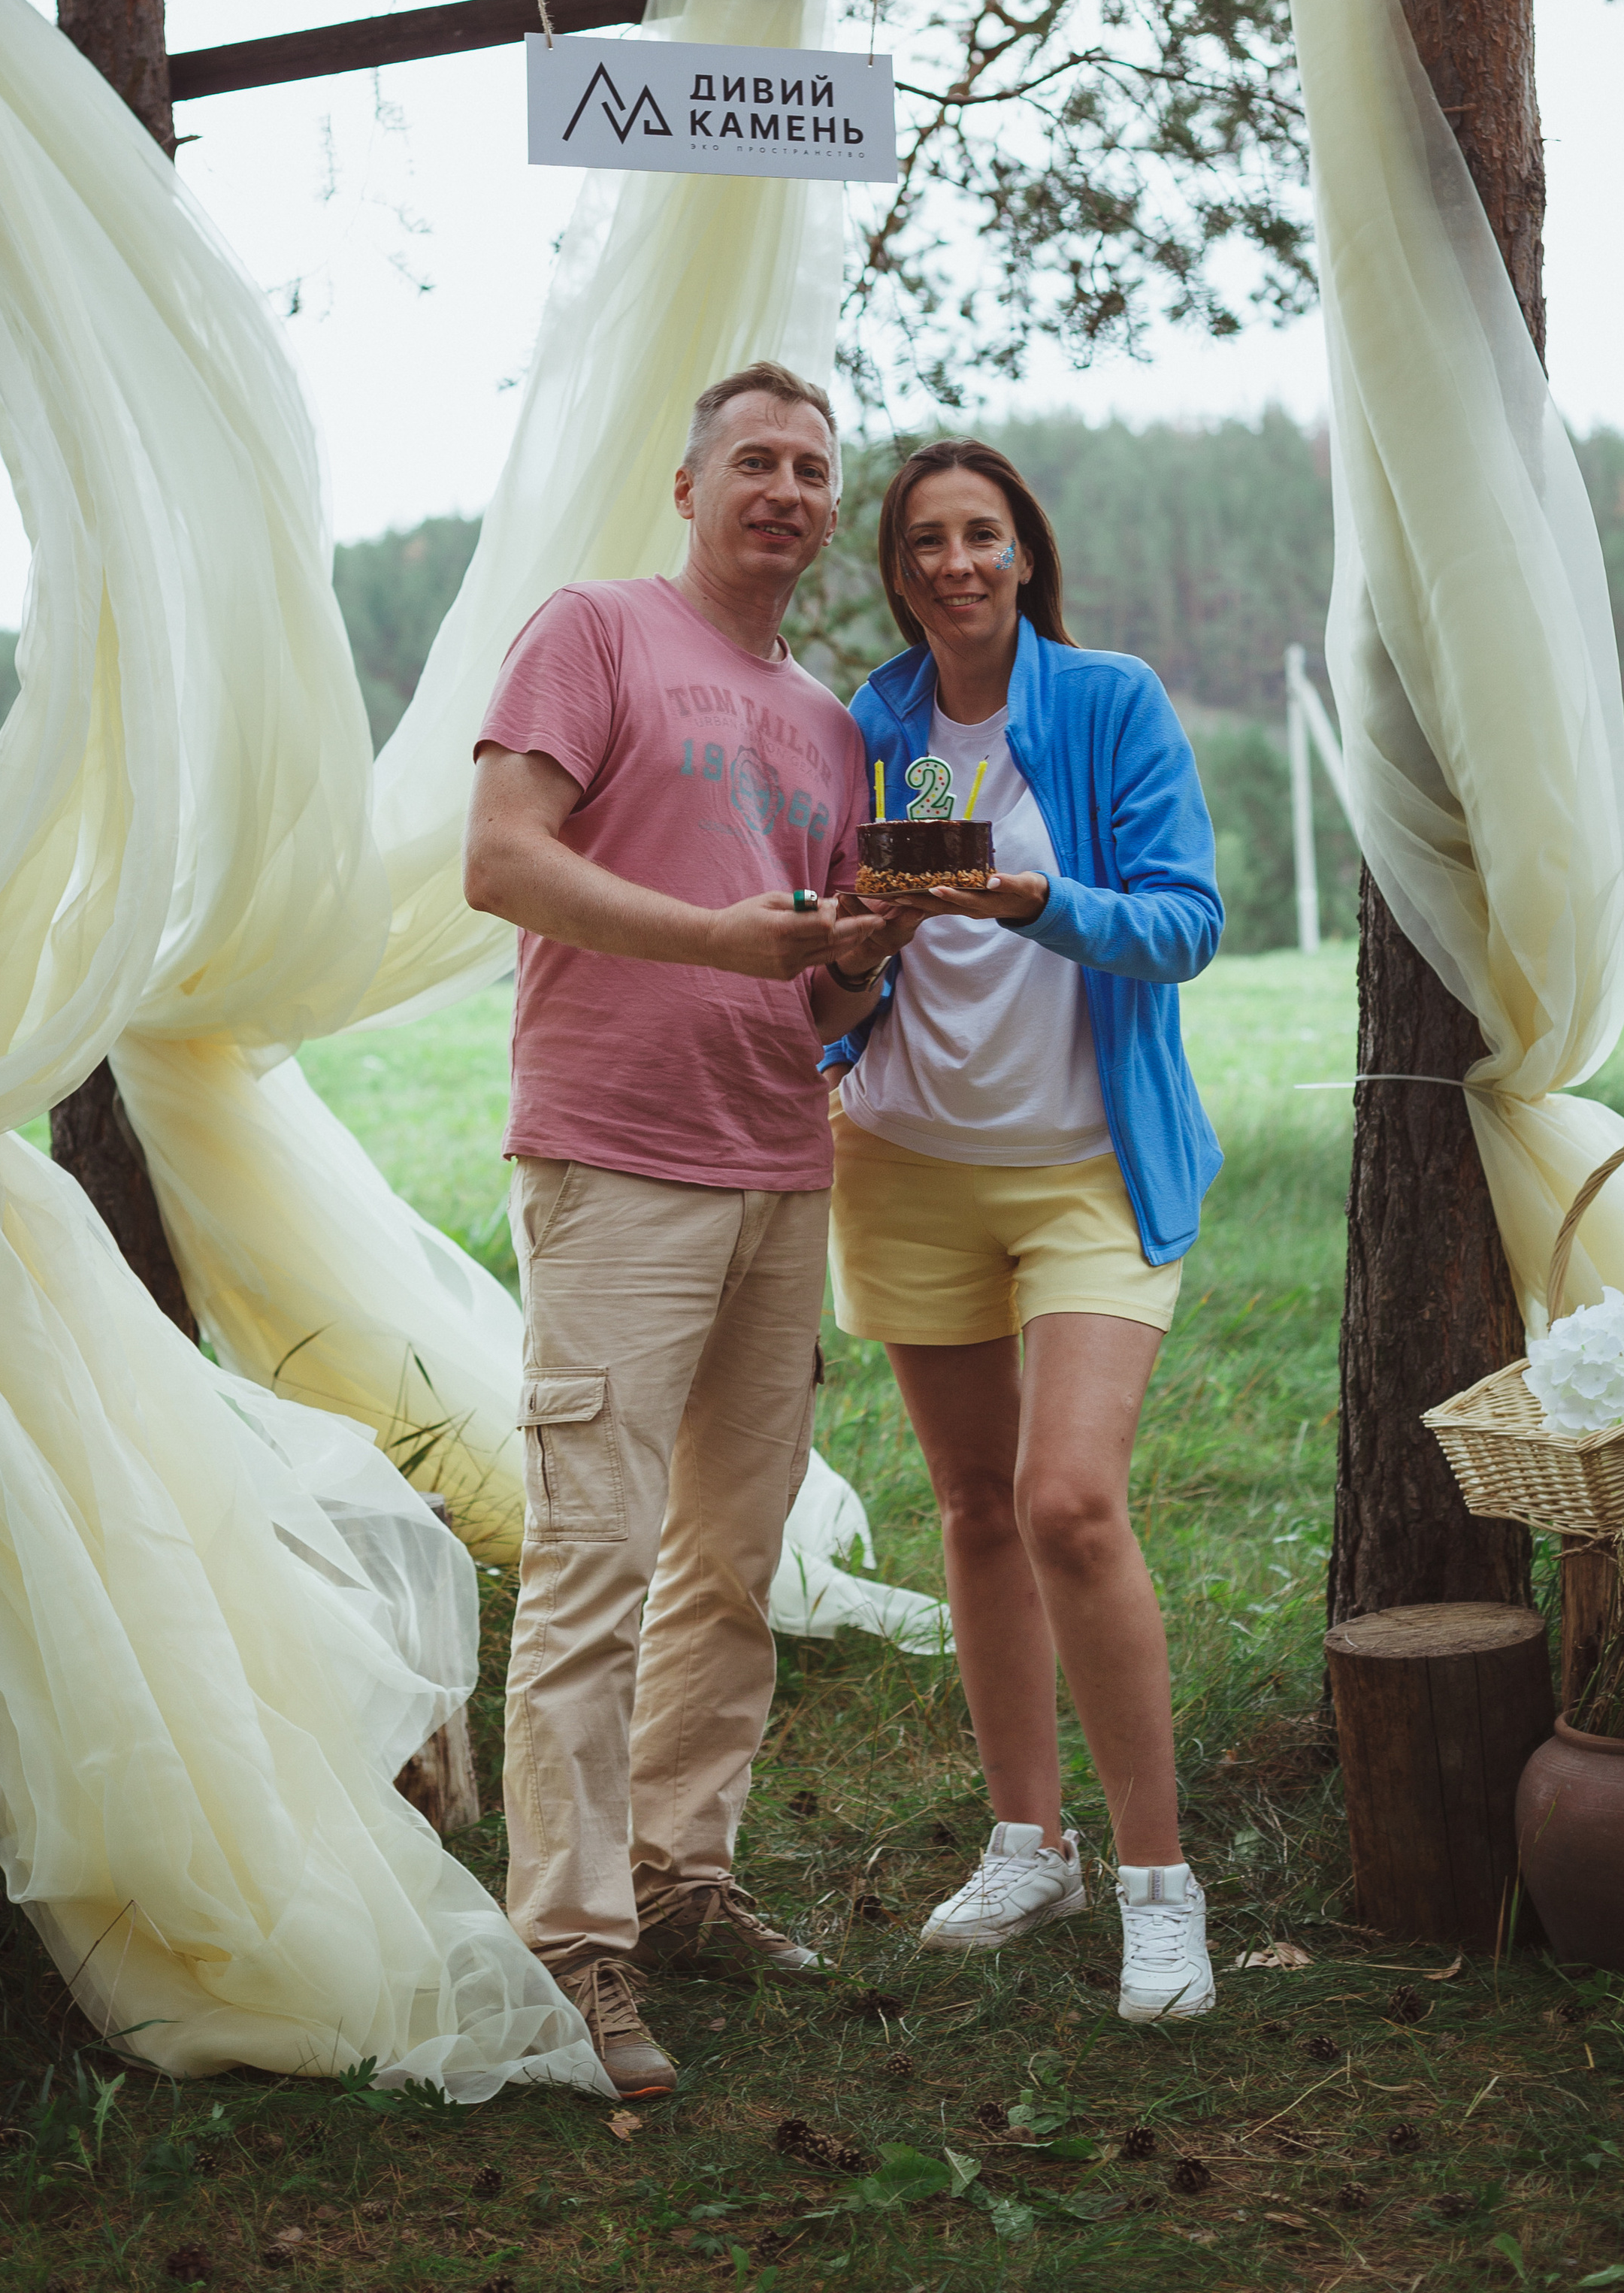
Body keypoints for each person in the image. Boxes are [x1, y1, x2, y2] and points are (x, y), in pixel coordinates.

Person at [462, 361, 909, 2098]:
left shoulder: (823, 722)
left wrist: (848, 953)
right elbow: (501, 859)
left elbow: (821, 957)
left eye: (810, 466)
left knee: (730, 1557)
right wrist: (720, 943)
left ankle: (680, 1875)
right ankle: (568, 1948)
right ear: (689, 484)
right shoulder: (592, 630)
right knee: (594, 1555)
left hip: (778, 1165)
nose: (785, 488)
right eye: (755, 460)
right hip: (614, 1161)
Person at [823, 437, 1224, 2022]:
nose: (952, 564)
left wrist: (1025, 901)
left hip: (1083, 1171)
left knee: (1066, 1501)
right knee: (974, 1510)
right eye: (923, 541)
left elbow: (1186, 924)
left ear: (1022, 553)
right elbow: (836, 987)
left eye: (978, 535)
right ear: (898, 568)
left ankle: (1156, 1883)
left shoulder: (1105, 702)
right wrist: (855, 958)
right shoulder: (870, 728)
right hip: (908, 1165)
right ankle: (1023, 1841)